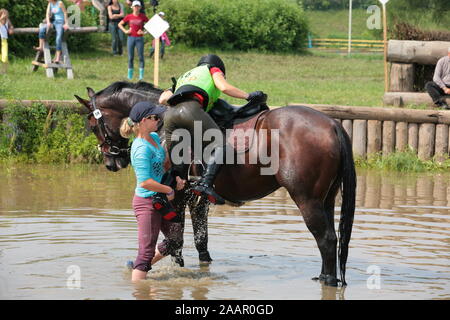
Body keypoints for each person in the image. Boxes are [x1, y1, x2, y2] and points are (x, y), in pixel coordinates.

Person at [158, 54, 265, 205]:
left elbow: (162, 99)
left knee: (178, 166)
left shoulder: (186, 77)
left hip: (170, 116)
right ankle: (205, 184)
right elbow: (224, 87)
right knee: (221, 145)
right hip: (190, 109)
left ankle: (162, 194)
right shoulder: (212, 69)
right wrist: (249, 96)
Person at [119, 101, 186, 282]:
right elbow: (145, 183)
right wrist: (168, 189)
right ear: (142, 121)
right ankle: (140, 289)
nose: (158, 119)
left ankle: (141, 266)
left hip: (161, 200)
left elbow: (162, 167)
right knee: (146, 251)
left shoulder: (155, 138)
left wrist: (175, 177)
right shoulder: (140, 149)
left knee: (175, 239)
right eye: (154, 117)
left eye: (158, 116)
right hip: (147, 203)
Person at [119, 1, 149, 80]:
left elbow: (150, 25)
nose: (136, 8)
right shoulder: (129, 16)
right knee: (130, 57)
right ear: (132, 7)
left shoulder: (143, 16)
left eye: (138, 6)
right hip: (131, 38)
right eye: (135, 6)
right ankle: (130, 76)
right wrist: (125, 31)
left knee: (141, 57)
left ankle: (141, 76)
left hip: (139, 38)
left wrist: (144, 32)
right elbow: (120, 24)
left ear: (140, 7)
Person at [0, 8, 14, 74]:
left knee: (5, 57)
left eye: (6, 14)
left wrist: (11, 28)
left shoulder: (7, 20)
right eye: (4, 14)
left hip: (4, 41)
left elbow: (11, 26)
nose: (5, 16)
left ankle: (4, 71)